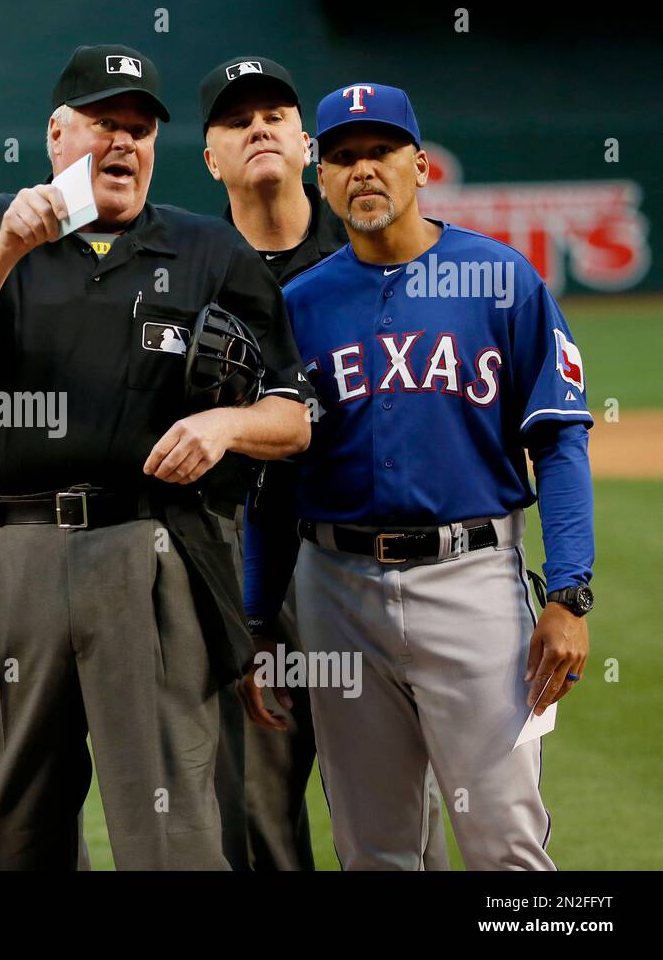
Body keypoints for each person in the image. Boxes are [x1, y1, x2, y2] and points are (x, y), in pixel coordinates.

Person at [0, 44, 312, 870]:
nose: (124, 143)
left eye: (140, 129)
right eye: (103, 124)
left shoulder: (206, 251)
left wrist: (227, 427)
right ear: (56, 135)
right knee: (10, 826)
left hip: (152, 551)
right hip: (12, 553)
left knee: (173, 829)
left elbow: (294, 416)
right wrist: (8, 244)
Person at [239, 82, 594, 870]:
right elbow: (272, 484)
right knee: (376, 850)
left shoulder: (502, 280)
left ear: (420, 165)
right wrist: (259, 621)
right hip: (334, 590)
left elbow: (561, 442)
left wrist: (569, 593)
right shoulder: (298, 305)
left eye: (381, 152)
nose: (363, 170)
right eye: (343, 157)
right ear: (320, 178)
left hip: (471, 581)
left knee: (503, 842)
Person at [198, 55, 447, 871]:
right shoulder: (185, 272)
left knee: (388, 806)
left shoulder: (371, 257)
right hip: (233, 556)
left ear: (307, 145)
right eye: (237, 120)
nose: (258, 128)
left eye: (275, 113)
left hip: (357, 556)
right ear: (210, 157)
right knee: (257, 802)